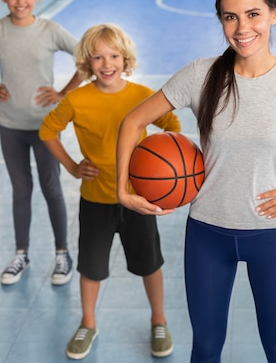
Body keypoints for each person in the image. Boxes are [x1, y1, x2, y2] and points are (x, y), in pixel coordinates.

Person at [116, 0, 276, 363]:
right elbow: (132, 122)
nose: (242, 27)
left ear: (274, 14)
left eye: (253, 14)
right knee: (207, 348)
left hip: (272, 235)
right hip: (208, 233)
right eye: (230, 17)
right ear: (221, 21)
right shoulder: (200, 75)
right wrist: (122, 190)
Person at [39, 23, 180, 359]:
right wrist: (73, 167)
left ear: (125, 58)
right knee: (91, 268)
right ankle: (88, 322)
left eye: (113, 55)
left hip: (138, 200)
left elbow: (171, 126)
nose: (106, 63)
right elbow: (48, 131)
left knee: (150, 265)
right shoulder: (76, 99)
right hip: (96, 199)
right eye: (98, 57)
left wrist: (156, 170)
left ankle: (158, 320)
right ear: (87, 62)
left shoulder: (142, 96)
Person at [0, 0, 82, 286]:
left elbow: (85, 58)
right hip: (10, 125)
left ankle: (62, 254)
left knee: (52, 189)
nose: (20, 1)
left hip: (45, 127)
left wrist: (62, 93)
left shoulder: (50, 30)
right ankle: (21, 254)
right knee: (20, 191)